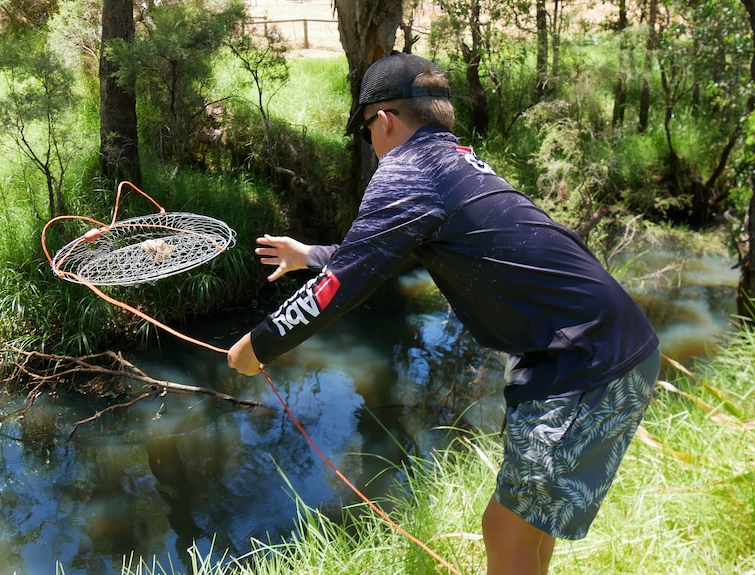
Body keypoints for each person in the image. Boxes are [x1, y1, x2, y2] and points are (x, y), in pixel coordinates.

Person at [227, 52, 660, 575]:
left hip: (583, 364)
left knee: (507, 528)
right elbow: (381, 250)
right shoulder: (453, 160)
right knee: (525, 526)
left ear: (382, 120)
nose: (371, 145)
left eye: (366, 133)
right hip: (613, 347)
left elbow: (336, 290)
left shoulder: (406, 172)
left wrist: (256, 347)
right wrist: (310, 255)